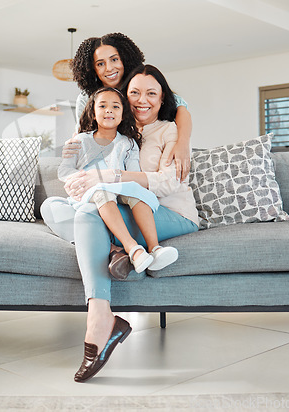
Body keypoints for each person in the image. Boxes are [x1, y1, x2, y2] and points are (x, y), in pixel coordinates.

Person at [41, 64, 199, 383]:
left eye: (151, 94)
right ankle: (115, 252)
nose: (142, 100)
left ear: (162, 98)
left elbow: (168, 183)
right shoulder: (120, 134)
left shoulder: (170, 131)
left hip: (169, 212)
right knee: (62, 205)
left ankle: (100, 320)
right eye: (134, 93)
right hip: (122, 207)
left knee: (90, 212)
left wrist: (106, 177)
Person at [57, 86, 179, 276]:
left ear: (123, 113)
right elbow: (64, 170)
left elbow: (132, 173)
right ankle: (134, 250)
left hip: (118, 188)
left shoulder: (127, 143)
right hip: (90, 191)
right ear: (93, 112)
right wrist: (76, 181)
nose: (109, 110)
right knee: (101, 192)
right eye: (103, 106)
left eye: (115, 107)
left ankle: (155, 249)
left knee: (136, 191)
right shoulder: (80, 140)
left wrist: (124, 184)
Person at [69, 32, 192, 181]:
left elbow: (181, 108)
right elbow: (83, 131)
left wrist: (183, 144)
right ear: (92, 69)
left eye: (114, 59)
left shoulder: (138, 81)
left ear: (125, 59)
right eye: (100, 64)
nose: (109, 68)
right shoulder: (86, 98)